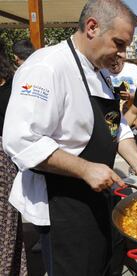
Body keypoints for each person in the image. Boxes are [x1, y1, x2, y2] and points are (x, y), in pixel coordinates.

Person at [3, 1, 137, 275]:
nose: (122, 54)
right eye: (119, 43)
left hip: (97, 198)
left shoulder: (99, 72)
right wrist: (85, 168)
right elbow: (21, 139)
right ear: (92, 27)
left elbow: (116, 126)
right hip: (61, 205)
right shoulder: (46, 66)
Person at [0, 39, 28, 276]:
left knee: (6, 221)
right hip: (6, 158)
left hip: (4, 159)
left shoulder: (13, 86)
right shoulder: (12, 83)